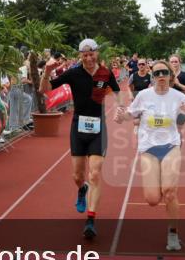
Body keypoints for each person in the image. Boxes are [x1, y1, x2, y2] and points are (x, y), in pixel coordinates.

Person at [42, 38, 124, 240]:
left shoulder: (105, 73)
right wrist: (45, 72)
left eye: (91, 54)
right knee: (78, 176)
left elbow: (118, 92)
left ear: (97, 53)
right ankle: (82, 189)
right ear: (80, 55)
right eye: (84, 55)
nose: (88, 58)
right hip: (78, 128)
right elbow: (45, 90)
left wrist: (121, 108)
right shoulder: (73, 73)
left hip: (98, 128)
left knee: (95, 173)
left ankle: (91, 219)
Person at [116, 59, 185, 251]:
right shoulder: (144, 96)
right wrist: (122, 117)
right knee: (153, 199)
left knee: (169, 192)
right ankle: (161, 185)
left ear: (171, 75)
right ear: (152, 77)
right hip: (148, 148)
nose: (161, 76)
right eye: (157, 73)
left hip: (171, 145)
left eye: (164, 73)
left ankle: (173, 235)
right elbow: (130, 114)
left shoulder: (178, 96)